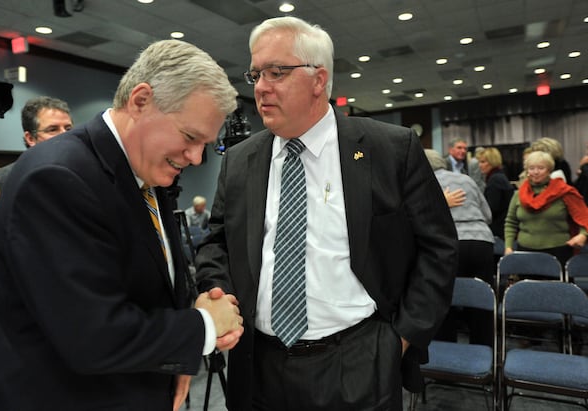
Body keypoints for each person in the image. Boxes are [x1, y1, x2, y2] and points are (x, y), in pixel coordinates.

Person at [195, 16, 458, 411]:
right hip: (260, 363)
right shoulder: (239, 160)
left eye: (277, 72)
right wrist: (220, 296)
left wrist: (399, 339)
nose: (262, 87)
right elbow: (217, 242)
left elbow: (438, 248)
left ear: (319, 79)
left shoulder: (389, 148)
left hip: (358, 359)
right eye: (256, 74)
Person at [0, 39, 244, 411]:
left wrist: (191, 313)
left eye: (205, 144)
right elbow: (91, 337)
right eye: (190, 138)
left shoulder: (147, 176)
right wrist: (202, 327)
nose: (195, 157)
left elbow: (148, 286)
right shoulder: (57, 177)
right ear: (140, 101)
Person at [425, 149, 494, 346]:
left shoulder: (424, 182)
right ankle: (484, 351)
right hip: (482, 242)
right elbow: (487, 215)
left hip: (450, 243)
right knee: (481, 297)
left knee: (447, 298)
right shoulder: (466, 179)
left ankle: (448, 355)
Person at [504, 150, 588, 268]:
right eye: (532, 168)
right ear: (527, 171)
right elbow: (510, 222)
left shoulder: (564, 191)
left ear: (549, 170)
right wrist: (508, 247)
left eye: (541, 168)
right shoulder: (519, 194)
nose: (536, 172)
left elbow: (584, 216)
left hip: (558, 252)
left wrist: (583, 235)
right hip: (525, 251)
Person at [0, 95, 73, 190]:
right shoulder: (2, 180)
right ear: (30, 138)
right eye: (53, 130)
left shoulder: (85, 173)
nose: (65, 135)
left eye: (68, 129)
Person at [476, 147, 515, 239]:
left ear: (492, 162)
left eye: (483, 162)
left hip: (498, 229)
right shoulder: (500, 176)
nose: (480, 165)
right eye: (479, 162)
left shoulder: (495, 180)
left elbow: (491, 208)